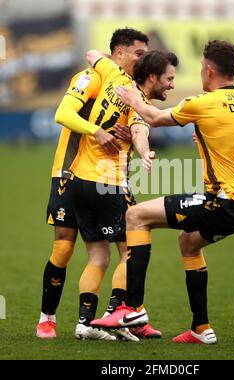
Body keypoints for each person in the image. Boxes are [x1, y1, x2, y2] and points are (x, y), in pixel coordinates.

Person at [92, 40, 234, 345]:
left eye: (201, 67)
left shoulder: (205, 103)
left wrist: (134, 98)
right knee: (188, 242)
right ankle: (201, 329)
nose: (200, 71)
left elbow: (155, 118)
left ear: (209, 70)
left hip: (225, 202)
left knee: (136, 215)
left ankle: (131, 309)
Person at [36, 27, 149, 341]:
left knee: (115, 249)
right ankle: (47, 318)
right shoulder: (91, 78)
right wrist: (96, 131)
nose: (142, 60)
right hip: (68, 172)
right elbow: (63, 113)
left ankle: (108, 319)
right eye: (138, 54)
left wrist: (128, 133)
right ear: (119, 53)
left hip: (103, 177)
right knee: (63, 247)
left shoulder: (128, 87)